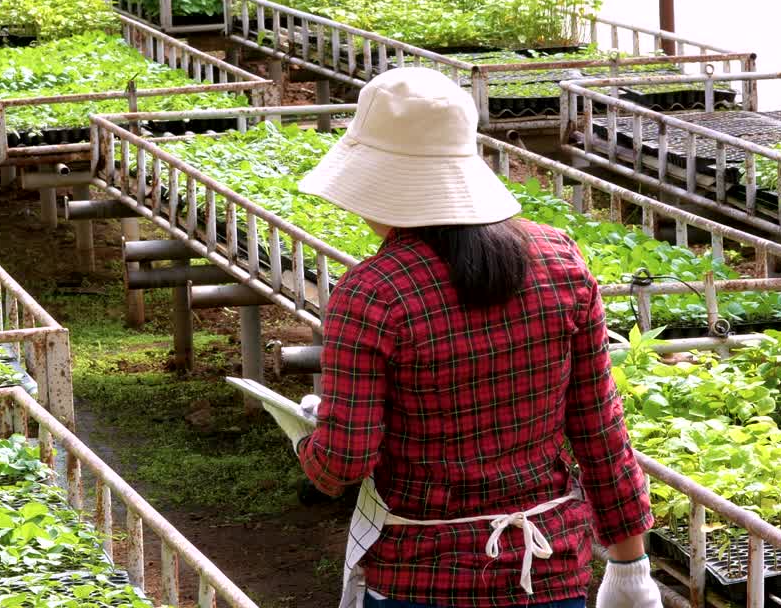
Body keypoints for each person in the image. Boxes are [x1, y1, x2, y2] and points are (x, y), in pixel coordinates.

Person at [272, 68, 661, 608]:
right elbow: (599, 424)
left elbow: (342, 463)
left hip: (424, 579)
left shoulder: (374, 294)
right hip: (548, 570)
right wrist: (630, 567)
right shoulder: (559, 260)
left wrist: (307, 435)